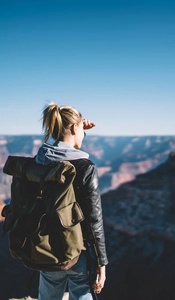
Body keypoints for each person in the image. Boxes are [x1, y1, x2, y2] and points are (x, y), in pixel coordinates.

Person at [35, 103, 108, 300]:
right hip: (78, 254)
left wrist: (74, 127)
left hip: (46, 249)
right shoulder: (85, 167)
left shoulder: (41, 161)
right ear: (76, 128)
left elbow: (59, 145)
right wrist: (101, 263)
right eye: (80, 131)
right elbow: (94, 221)